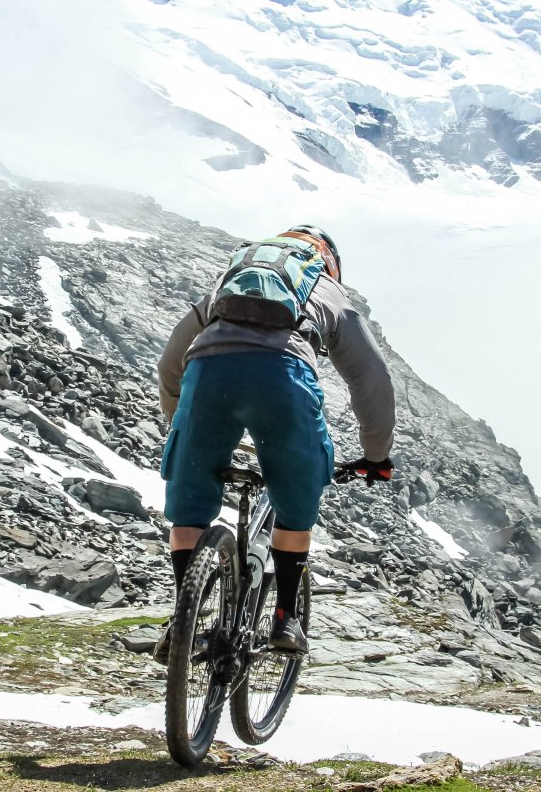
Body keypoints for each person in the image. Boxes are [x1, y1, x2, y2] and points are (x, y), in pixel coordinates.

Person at [155, 225, 395, 657]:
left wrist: (182, 424)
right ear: (329, 262)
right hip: (284, 379)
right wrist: (376, 456)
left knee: (189, 512)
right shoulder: (326, 289)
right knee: (295, 505)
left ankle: (182, 622)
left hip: (207, 375)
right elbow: (371, 378)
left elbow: (171, 359)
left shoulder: (231, 278)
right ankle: (285, 618)